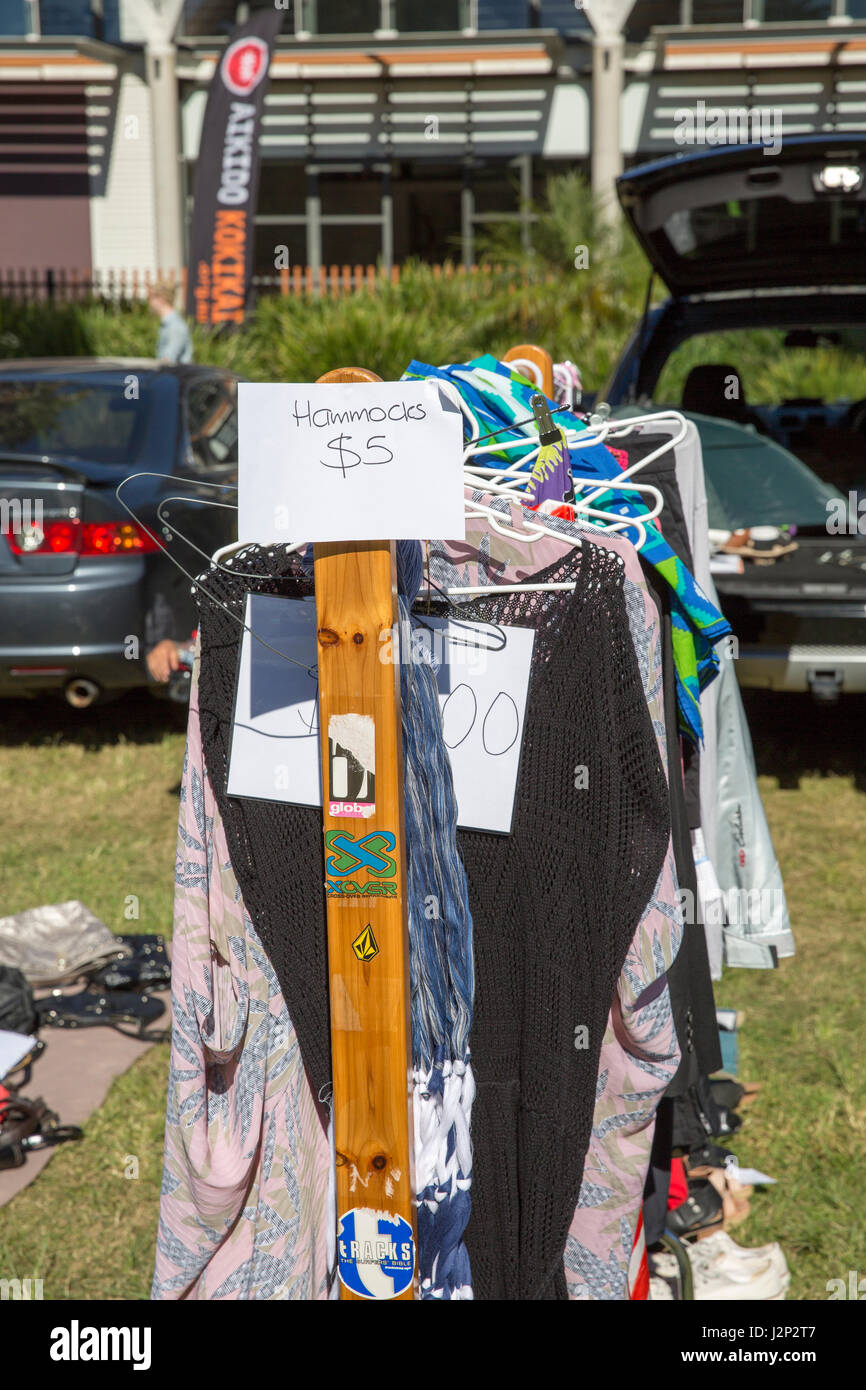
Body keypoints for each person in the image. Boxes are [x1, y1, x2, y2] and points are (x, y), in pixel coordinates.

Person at [148, 281, 193, 364]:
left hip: (177, 376)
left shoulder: (175, 326)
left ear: (161, 299)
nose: (149, 302)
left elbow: (168, 360)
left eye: (151, 298)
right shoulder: (168, 325)